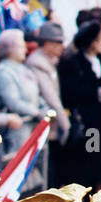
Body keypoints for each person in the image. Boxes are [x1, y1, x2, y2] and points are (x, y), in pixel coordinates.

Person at [60, 21, 101, 194]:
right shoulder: (74, 63)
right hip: (91, 124)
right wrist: (99, 91)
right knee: (93, 159)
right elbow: (72, 92)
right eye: (100, 39)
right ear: (92, 42)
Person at [0, 28, 47, 189]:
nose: (25, 48)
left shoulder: (24, 68)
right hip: (19, 128)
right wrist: (35, 112)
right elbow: (12, 101)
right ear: (11, 48)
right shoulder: (4, 71)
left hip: (34, 126)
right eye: (21, 45)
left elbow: (37, 93)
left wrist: (43, 107)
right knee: (20, 168)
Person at [28, 22, 69, 185]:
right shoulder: (37, 62)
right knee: (49, 172)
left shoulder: (49, 61)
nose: (61, 46)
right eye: (58, 42)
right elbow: (51, 97)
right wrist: (65, 124)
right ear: (47, 43)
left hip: (52, 125)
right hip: (45, 125)